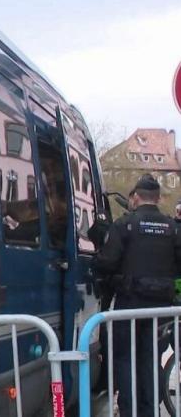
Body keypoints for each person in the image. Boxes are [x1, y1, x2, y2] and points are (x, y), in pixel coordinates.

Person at [95, 174, 181, 417]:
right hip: (161, 311)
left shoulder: (125, 225)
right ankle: (150, 411)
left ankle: (129, 412)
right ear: (158, 198)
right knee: (152, 361)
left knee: (125, 362)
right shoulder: (172, 228)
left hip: (130, 306)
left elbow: (107, 263)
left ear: (134, 197)